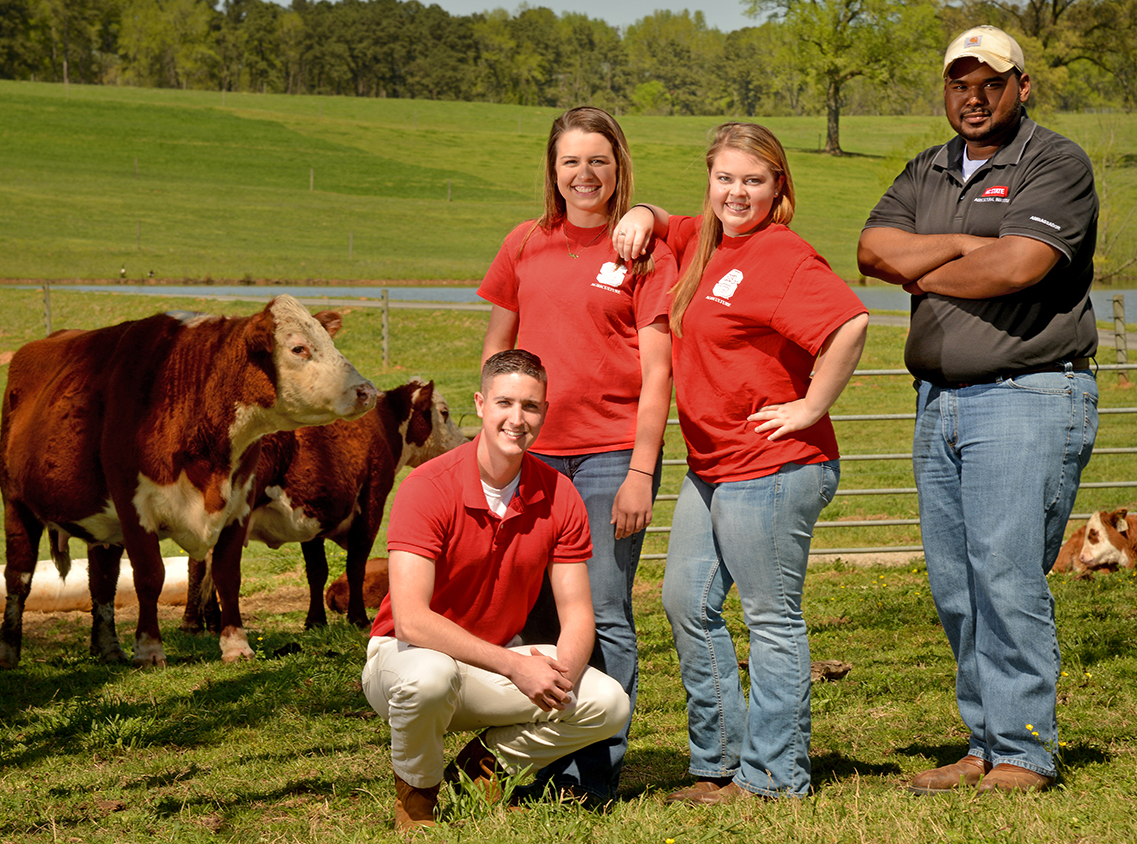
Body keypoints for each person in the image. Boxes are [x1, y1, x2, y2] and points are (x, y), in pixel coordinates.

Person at [856, 25, 1100, 794]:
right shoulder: (926, 167)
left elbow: (1021, 265)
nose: (973, 95)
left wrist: (928, 263)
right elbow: (870, 252)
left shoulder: (1055, 162)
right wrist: (969, 242)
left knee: (1006, 575)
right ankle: (983, 742)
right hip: (940, 401)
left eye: (990, 82)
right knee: (958, 582)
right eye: (960, 82)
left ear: (1021, 88)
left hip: (1026, 393)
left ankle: (1025, 752)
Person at [612, 122, 868, 801]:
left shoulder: (780, 255)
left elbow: (850, 323)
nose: (737, 192)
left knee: (770, 620)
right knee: (684, 604)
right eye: (725, 177)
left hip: (774, 466)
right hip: (714, 466)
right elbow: (666, 221)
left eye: (754, 180)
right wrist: (642, 213)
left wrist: (810, 406)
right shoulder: (706, 239)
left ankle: (776, 777)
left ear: (779, 185)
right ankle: (721, 764)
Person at [477, 106, 676, 800]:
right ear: (552, 169)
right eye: (570, 161)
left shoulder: (645, 252)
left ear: (619, 167)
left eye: (598, 160)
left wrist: (642, 472)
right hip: (531, 459)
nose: (583, 174)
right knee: (529, 613)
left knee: (602, 608)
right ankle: (531, 764)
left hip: (610, 457)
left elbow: (658, 373)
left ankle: (593, 772)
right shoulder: (524, 242)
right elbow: (497, 356)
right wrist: (492, 447)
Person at [361, 349, 631, 832]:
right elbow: (411, 620)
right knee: (429, 677)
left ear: (544, 412)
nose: (517, 418)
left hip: (492, 665)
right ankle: (417, 798)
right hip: (404, 658)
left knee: (608, 703)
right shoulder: (428, 486)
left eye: (530, 406)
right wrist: (516, 667)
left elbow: (577, 613)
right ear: (482, 404)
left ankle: (481, 767)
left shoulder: (559, 494)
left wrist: (560, 679)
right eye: (505, 403)